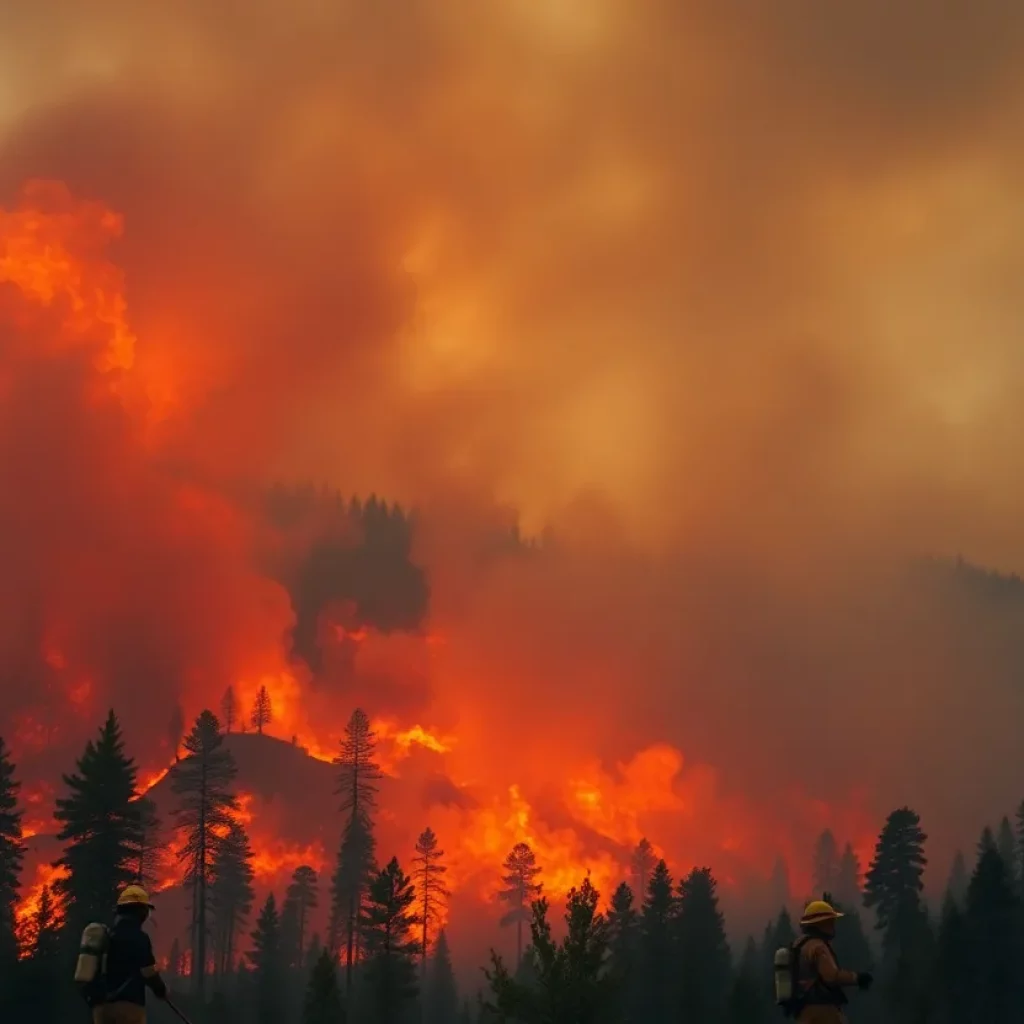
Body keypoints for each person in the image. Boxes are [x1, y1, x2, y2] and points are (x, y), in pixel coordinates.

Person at [92, 885, 169, 1024]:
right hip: (129, 1007)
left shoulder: (107, 935)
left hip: (102, 1008)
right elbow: (148, 972)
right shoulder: (139, 938)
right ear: (140, 912)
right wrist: (160, 990)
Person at [793, 900, 872, 1023]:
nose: (833, 925)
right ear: (822, 924)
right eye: (830, 921)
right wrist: (857, 978)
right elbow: (831, 976)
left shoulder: (799, 944)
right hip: (823, 1012)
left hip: (804, 1013)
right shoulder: (818, 947)